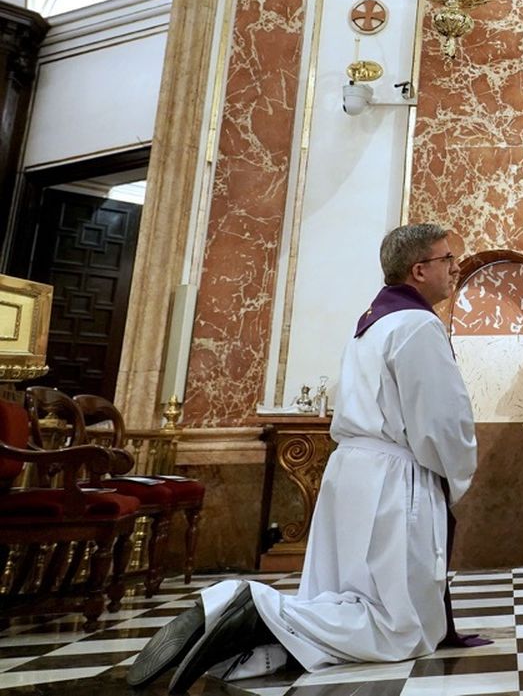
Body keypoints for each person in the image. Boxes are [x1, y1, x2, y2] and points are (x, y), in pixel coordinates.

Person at [129, 224, 478, 694]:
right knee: (402, 627)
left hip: (351, 471)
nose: (456, 267)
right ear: (419, 270)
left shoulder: (372, 323)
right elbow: (439, 420)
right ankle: (251, 605)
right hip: (394, 479)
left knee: (346, 597)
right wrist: (456, 474)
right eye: (447, 258)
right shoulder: (418, 325)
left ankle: (246, 642)